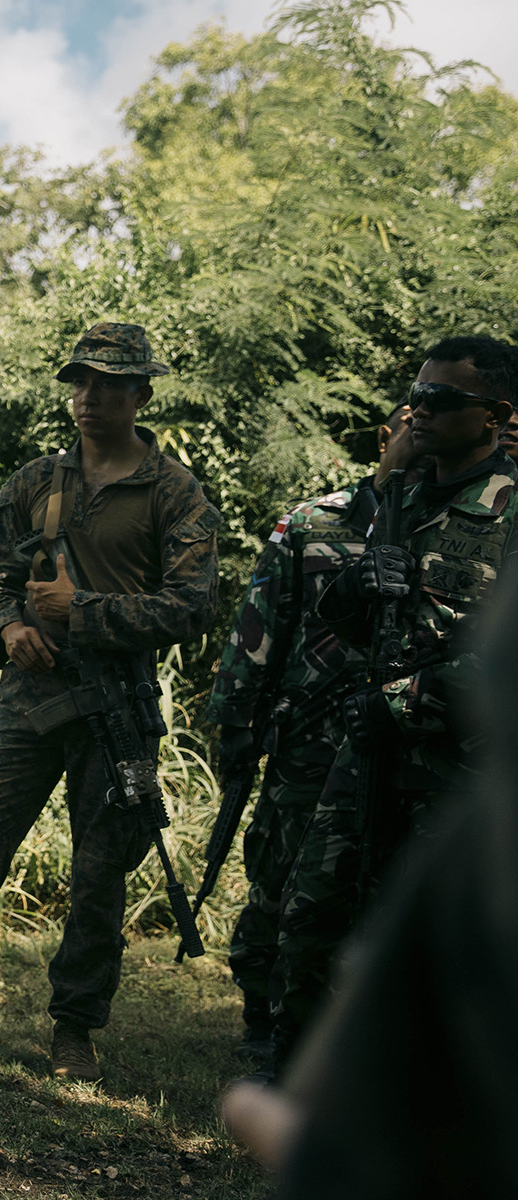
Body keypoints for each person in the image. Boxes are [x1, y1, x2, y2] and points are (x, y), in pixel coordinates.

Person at [0, 322, 220, 1082]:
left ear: (140, 395)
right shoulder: (34, 482)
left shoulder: (174, 491)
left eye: (109, 384)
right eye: (80, 382)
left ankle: (74, 1032)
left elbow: (191, 609)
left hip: (116, 710)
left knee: (99, 873)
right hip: (30, 701)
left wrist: (80, 611)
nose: (89, 398)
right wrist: (13, 627)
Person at [269, 336, 518, 1071]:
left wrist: (409, 702)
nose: (420, 411)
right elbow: (345, 627)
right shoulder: (400, 496)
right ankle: (294, 1080)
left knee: (440, 941)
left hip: (460, 773)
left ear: (494, 416)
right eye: (417, 395)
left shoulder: (507, 513)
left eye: (442, 400)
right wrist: (353, 586)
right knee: (313, 913)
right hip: (367, 752)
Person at [204, 403, 418, 1067]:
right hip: (310, 733)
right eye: (412, 421)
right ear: (387, 435)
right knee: (281, 871)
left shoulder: (455, 524)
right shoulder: (314, 521)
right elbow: (260, 622)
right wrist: (235, 717)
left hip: (403, 735)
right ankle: (262, 1014)